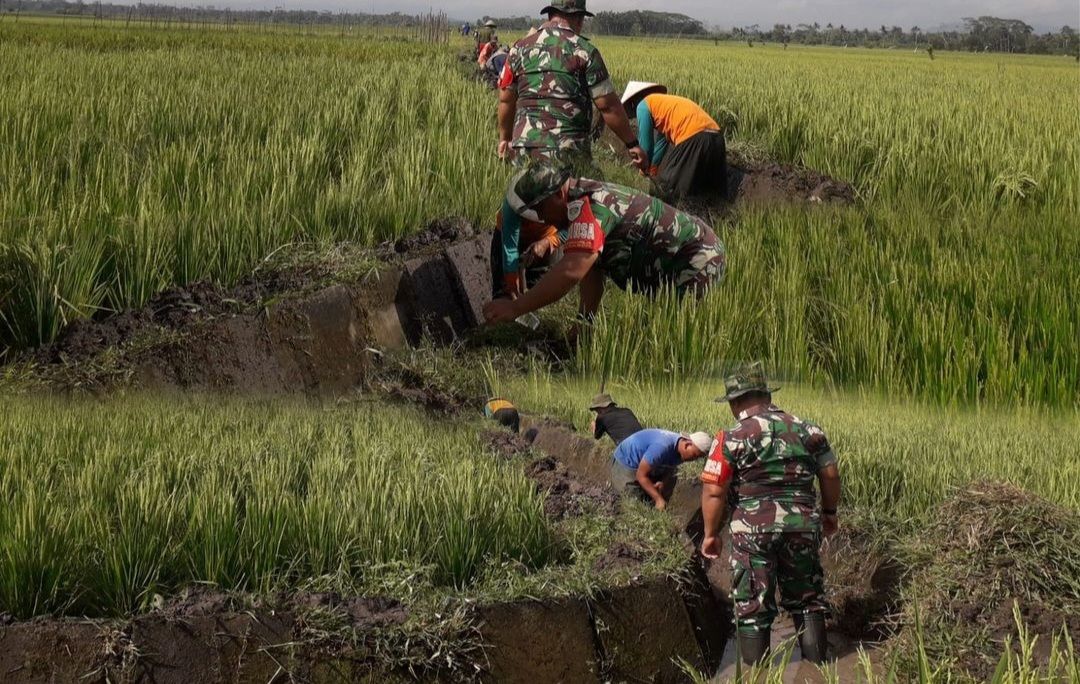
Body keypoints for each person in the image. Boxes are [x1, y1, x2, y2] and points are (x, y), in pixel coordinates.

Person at [492, 0, 647, 298]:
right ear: (577, 18)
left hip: (527, 156)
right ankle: (580, 312)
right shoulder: (583, 50)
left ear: (550, 14)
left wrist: (504, 138)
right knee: (586, 222)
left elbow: (505, 100)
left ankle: (511, 293)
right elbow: (608, 106)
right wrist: (632, 144)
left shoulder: (519, 48)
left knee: (519, 215)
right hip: (570, 158)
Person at [699, 362, 841, 667]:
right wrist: (829, 512)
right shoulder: (809, 429)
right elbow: (829, 474)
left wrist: (710, 535)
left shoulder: (730, 437)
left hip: (753, 532)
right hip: (802, 525)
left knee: (753, 602)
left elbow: (714, 491)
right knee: (807, 597)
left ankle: (759, 673)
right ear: (765, 394)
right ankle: (817, 667)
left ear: (736, 402)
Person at [482, 164, 726, 326]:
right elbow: (592, 268)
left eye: (540, 209)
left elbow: (571, 270)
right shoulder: (576, 205)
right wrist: (584, 322)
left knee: (675, 337)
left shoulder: (592, 206)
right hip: (670, 261)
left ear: (558, 194)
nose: (542, 219)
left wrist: (515, 308)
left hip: (696, 258)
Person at [621, 82, 727, 201]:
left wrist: (642, 170)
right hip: (717, 139)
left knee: (669, 191)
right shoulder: (663, 107)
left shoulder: (642, 105)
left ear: (632, 103)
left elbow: (646, 146)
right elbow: (660, 145)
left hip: (693, 138)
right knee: (708, 195)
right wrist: (652, 169)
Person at [610, 428, 711, 510]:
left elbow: (671, 468)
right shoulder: (662, 447)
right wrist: (658, 499)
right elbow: (640, 475)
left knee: (668, 482)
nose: (694, 459)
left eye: (697, 458)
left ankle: (653, 510)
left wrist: (662, 482)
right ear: (687, 444)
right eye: (694, 455)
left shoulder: (682, 452)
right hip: (626, 461)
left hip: (647, 462)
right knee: (633, 503)